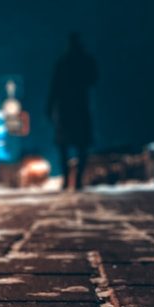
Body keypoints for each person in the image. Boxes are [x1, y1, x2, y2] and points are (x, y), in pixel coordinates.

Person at [47, 32, 98, 190]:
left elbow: (54, 87)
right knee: (79, 145)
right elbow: (94, 78)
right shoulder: (81, 61)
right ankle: (76, 181)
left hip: (67, 108)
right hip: (78, 106)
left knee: (66, 146)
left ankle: (69, 179)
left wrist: (49, 107)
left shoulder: (63, 63)